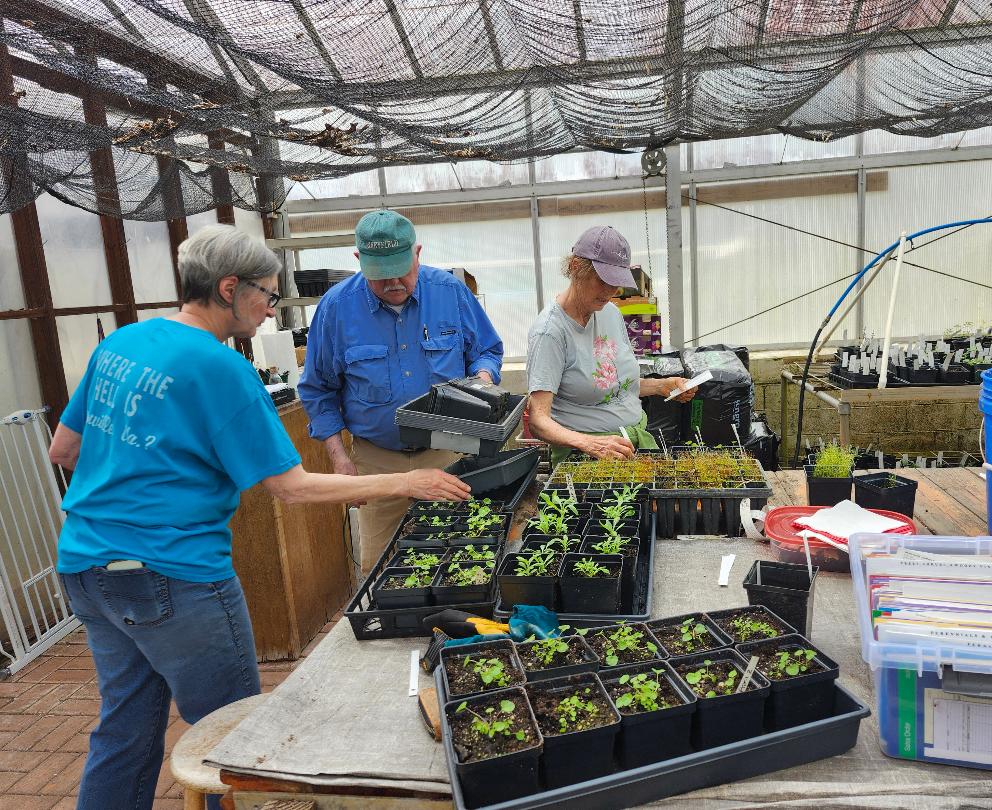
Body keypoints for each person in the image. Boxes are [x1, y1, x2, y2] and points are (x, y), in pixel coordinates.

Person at [48, 225, 469, 810]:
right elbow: (290, 488)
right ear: (229, 289)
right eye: (268, 296)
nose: (271, 310)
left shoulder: (121, 344)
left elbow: (63, 451)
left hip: (88, 565)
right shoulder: (222, 368)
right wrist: (407, 481)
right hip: (175, 573)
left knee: (124, 729)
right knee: (237, 742)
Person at [299, 209, 504, 571]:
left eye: (401, 270)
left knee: (459, 555)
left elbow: (486, 350)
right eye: (381, 276)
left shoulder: (450, 292)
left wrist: (482, 382)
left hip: (448, 450)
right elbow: (318, 390)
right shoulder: (335, 309)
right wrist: (340, 461)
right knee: (383, 567)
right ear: (358, 261)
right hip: (378, 462)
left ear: (418, 253)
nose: (393, 282)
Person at [526, 225, 697, 466]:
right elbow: (538, 420)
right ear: (576, 267)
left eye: (616, 282)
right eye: (603, 281)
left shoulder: (610, 313)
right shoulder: (551, 333)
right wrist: (590, 444)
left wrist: (662, 386)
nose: (610, 291)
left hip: (631, 444)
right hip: (586, 457)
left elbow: (616, 385)